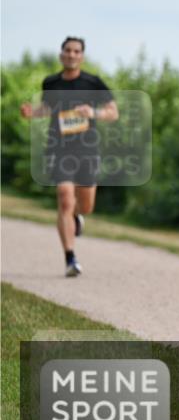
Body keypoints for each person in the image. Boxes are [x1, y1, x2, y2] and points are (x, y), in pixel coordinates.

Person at [20, 37, 118, 277]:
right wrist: (33, 113)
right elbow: (49, 108)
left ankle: (77, 216)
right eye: (68, 50)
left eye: (76, 51)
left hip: (87, 150)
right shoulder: (51, 83)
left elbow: (112, 113)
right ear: (61, 54)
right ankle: (70, 259)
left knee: (86, 205)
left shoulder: (93, 83)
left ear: (81, 56)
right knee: (65, 198)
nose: (71, 54)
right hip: (59, 148)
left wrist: (92, 111)